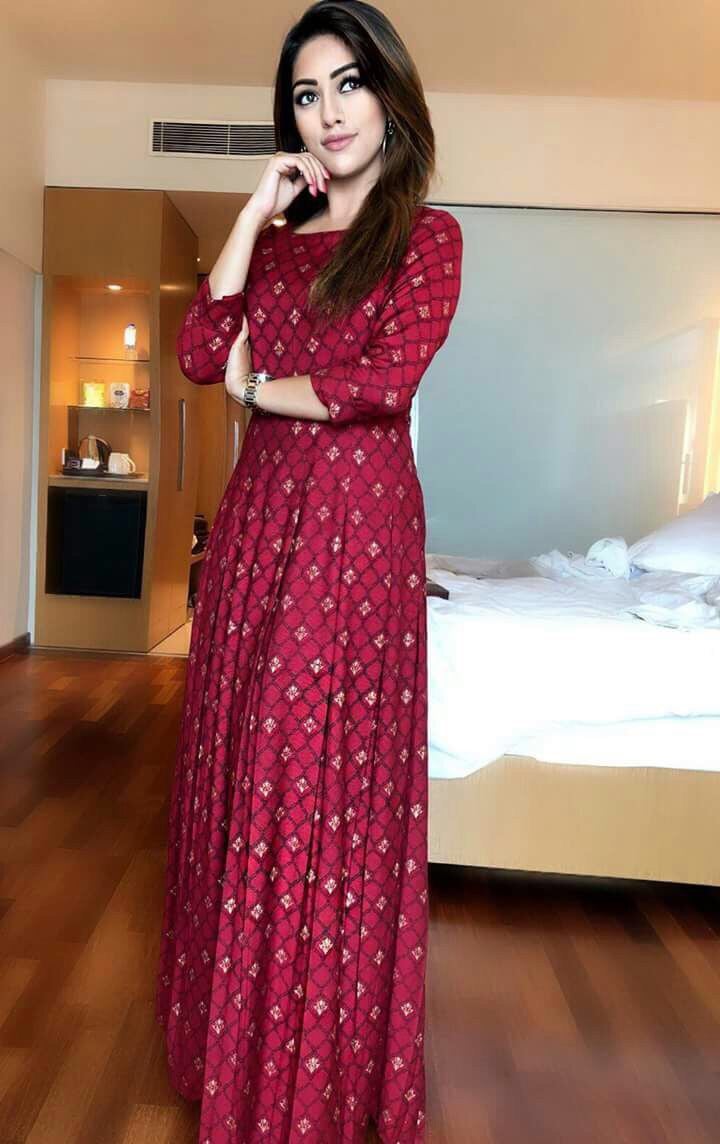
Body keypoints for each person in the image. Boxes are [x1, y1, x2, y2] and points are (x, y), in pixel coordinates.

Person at [155, 2, 463, 1140]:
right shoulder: (278, 241)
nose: (328, 112)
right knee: (247, 769)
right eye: (304, 93)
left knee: (320, 779)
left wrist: (257, 389)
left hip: (360, 531)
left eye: (347, 84)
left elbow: (378, 385)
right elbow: (199, 351)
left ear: (389, 95)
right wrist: (252, 211)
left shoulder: (428, 238)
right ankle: (238, 1052)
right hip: (258, 528)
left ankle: (318, 1069)